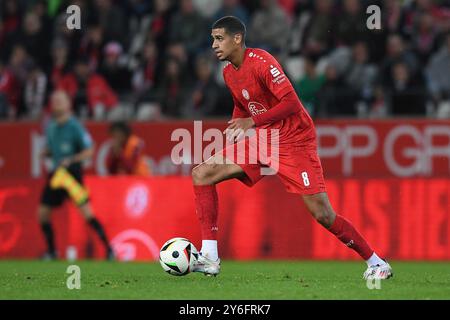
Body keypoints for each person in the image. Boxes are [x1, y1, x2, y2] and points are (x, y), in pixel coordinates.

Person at [191, 16, 393, 280]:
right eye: (213, 40)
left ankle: (377, 262)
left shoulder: (262, 62)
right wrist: (237, 124)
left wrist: (252, 120)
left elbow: (291, 104)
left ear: (237, 39)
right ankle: (209, 257)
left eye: (219, 39)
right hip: (265, 138)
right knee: (202, 173)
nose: (214, 45)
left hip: (294, 140)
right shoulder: (228, 73)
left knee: (322, 214)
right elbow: (243, 104)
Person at [39, 90, 114, 260]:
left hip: (71, 175)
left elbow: (89, 150)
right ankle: (52, 252)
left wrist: (71, 159)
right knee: (42, 213)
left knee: (87, 213)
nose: (57, 102)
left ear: (68, 104)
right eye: (54, 100)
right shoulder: (50, 126)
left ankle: (109, 249)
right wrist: (47, 152)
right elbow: (54, 149)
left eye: (60, 99)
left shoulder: (75, 126)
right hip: (57, 175)